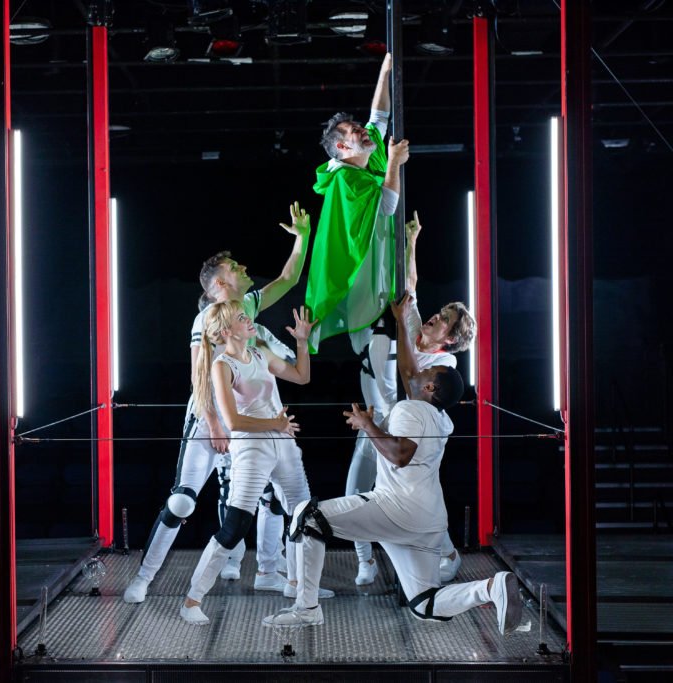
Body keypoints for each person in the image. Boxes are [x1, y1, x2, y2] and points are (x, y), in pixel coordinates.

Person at [262, 307, 521, 635]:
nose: (416, 373)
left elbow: (400, 454)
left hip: (398, 509)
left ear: (430, 388)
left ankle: (306, 609)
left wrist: (369, 425)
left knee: (307, 516)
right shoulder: (440, 417)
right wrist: (400, 322)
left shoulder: (410, 409)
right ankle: (489, 589)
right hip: (427, 522)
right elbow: (409, 369)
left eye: (427, 375)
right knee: (425, 603)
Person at [124, 203, 311, 604]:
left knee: (261, 498)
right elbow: (200, 374)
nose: (244, 268)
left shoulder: (249, 311)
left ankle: (267, 570)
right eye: (236, 268)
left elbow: (289, 277)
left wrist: (302, 237)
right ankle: (143, 578)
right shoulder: (209, 316)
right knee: (182, 500)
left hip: (247, 422)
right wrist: (213, 425)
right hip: (212, 420)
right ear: (219, 284)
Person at [346, 213, 476, 586]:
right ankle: (364, 561)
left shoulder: (444, 362)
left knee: (413, 502)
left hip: (408, 438)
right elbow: (411, 283)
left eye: (444, 319)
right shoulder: (416, 326)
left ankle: (446, 554)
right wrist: (413, 239)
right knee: (355, 490)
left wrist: (402, 325)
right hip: (376, 423)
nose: (436, 316)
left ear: (450, 338)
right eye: (441, 312)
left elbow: (408, 381)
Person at [180, 303, 329, 625]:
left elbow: (301, 377)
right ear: (225, 332)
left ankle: (300, 591)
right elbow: (233, 421)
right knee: (235, 526)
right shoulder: (221, 365)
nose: (250, 321)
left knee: (305, 517)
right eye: (242, 318)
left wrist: (302, 341)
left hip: (282, 443)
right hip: (251, 448)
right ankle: (192, 600)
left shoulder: (260, 354)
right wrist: (274, 425)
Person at [305, 51, 408, 356]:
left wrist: (385, 71)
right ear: (342, 146)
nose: (364, 131)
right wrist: (394, 164)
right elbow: (387, 206)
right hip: (358, 288)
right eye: (355, 131)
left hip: (375, 280)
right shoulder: (346, 181)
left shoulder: (365, 157)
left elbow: (378, 117)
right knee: (377, 356)